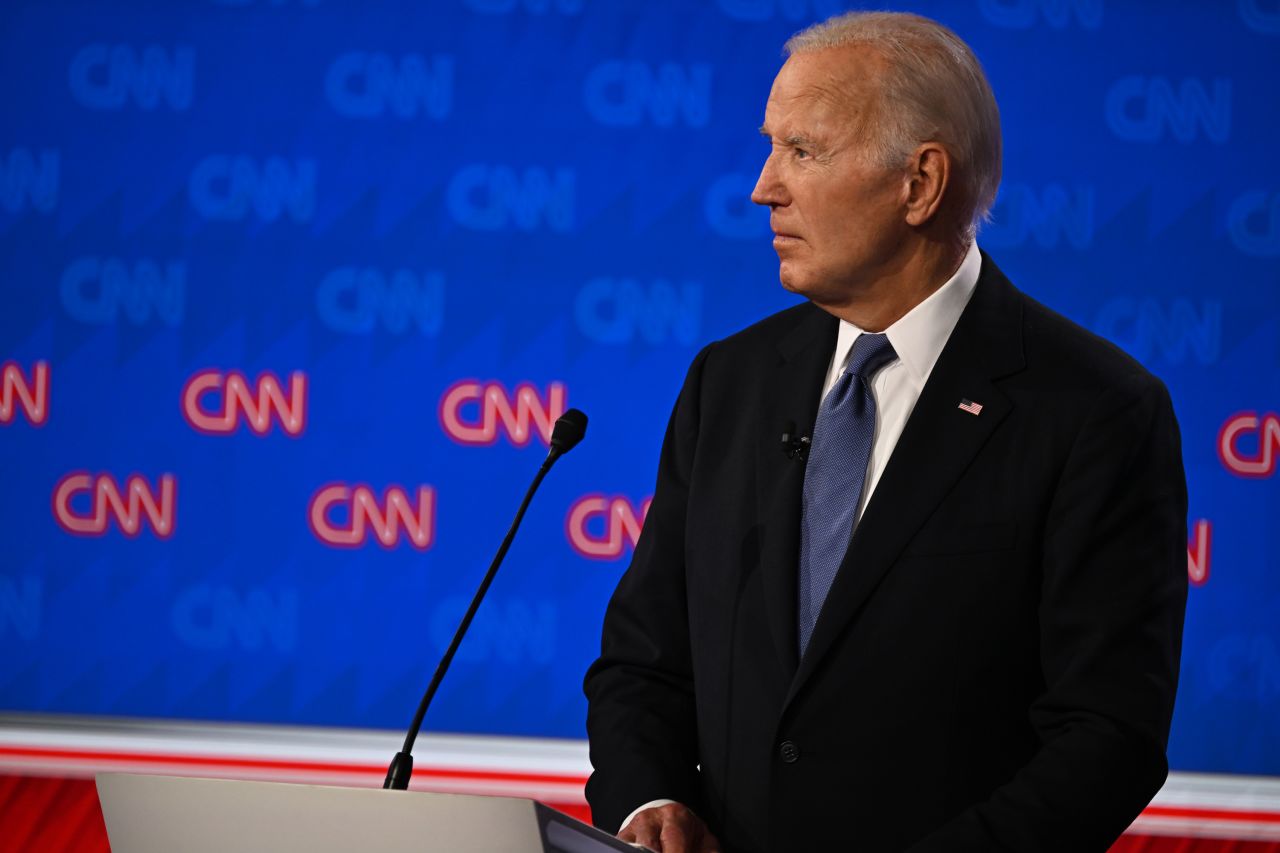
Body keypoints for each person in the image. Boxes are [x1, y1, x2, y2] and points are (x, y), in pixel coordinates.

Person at [583, 10, 1187, 853]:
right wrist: (648, 801)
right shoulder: (730, 382)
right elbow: (643, 664)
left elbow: (1105, 735)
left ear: (921, 183)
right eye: (770, 146)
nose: (764, 186)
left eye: (803, 150)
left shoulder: (1096, 412)